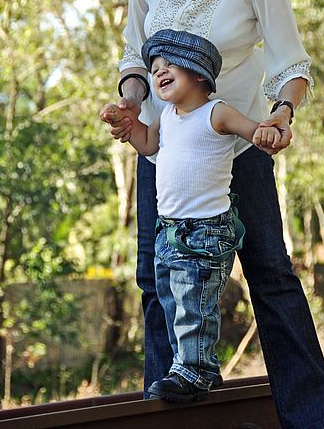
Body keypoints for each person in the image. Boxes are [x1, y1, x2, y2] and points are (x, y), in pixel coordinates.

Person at [100, 0, 324, 428]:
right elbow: (135, 57)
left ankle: (316, 420)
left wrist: (281, 117)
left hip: (238, 148)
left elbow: (291, 65)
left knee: (272, 280)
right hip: (163, 155)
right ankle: (169, 416)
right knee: (157, 281)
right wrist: (130, 105)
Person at [102, 29, 281, 402]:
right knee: (171, 300)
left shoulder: (216, 113)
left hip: (206, 231)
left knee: (194, 304)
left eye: (169, 65)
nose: (159, 72)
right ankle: (198, 368)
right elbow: (148, 145)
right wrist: (126, 124)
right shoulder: (166, 117)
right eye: (154, 67)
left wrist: (268, 133)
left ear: (199, 72)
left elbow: (253, 132)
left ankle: (194, 369)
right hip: (167, 231)